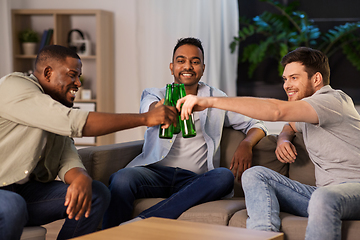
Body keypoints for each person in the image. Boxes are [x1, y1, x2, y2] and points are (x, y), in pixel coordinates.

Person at [177, 46, 360, 239]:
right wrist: (283, 139)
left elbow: (276, 112)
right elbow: (289, 125)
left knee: (323, 197)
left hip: (353, 190)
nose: (286, 85)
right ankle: (264, 235)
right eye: (285, 79)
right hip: (320, 195)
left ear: (316, 79)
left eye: (294, 78)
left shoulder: (332, 100)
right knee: (255, 174)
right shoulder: (308, 110)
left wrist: (209, 102)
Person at [0, 45, 177, 240]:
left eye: (79, 77)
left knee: (95, 193)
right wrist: (145, 119)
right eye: (72, 75)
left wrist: (81, 177)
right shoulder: (14, 87)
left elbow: (67, 157)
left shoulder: (54, 108)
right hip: (6, 196)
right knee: (12, 205)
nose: (78, 83)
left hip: (24, 193)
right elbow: (74, 122)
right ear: (48, 73)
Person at [102, 37, 267, 228]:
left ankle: (141, 222)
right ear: (172, 67)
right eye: (181, 61)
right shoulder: (155, 94)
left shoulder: (215, 99)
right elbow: (150, 111)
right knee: (121, 179)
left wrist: (246, 144)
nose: (188, 66)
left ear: (202, 68)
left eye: (194, 62)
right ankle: (109, 234)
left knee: (223, 177)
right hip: (154, 174)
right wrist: (167, 104)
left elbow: (256, 124)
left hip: (193, 179)